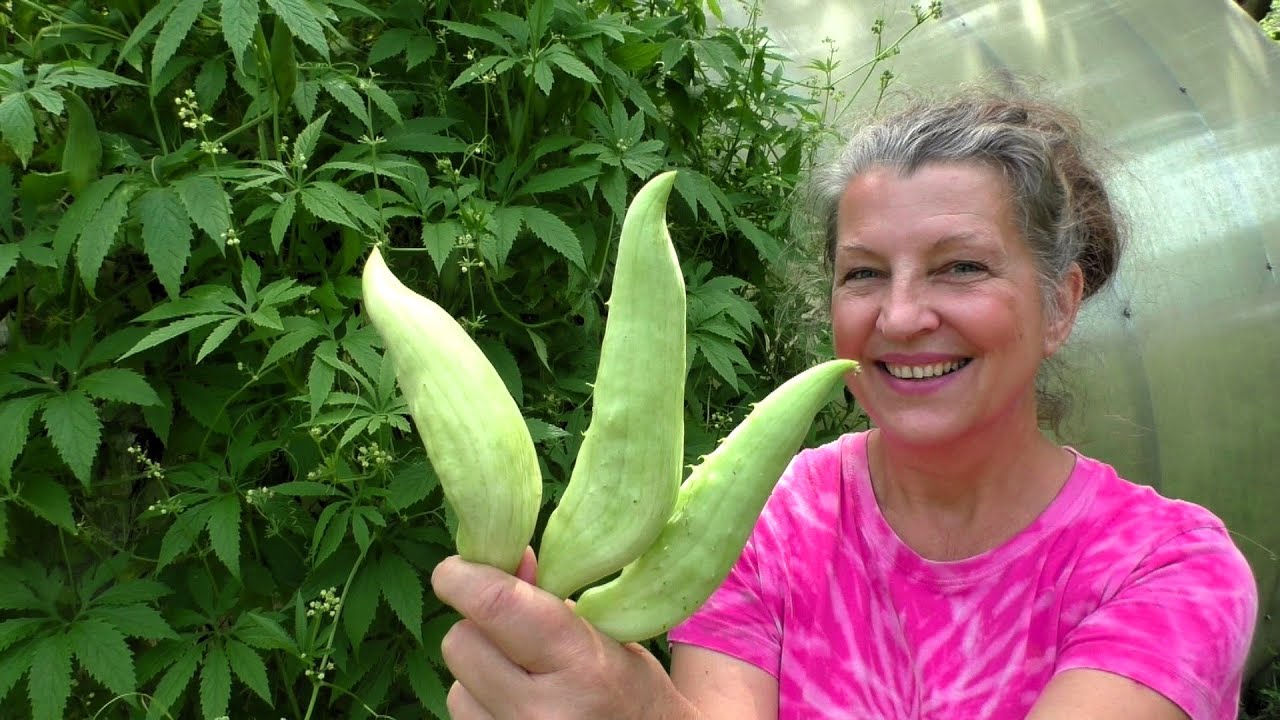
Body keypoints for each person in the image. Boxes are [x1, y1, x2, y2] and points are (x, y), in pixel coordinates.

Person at [429, 85, 1259, 719]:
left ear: (1061, 304)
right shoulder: (770, 521)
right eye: (864, 273)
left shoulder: (1169, 570)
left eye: (961, 266)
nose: (899, 317)